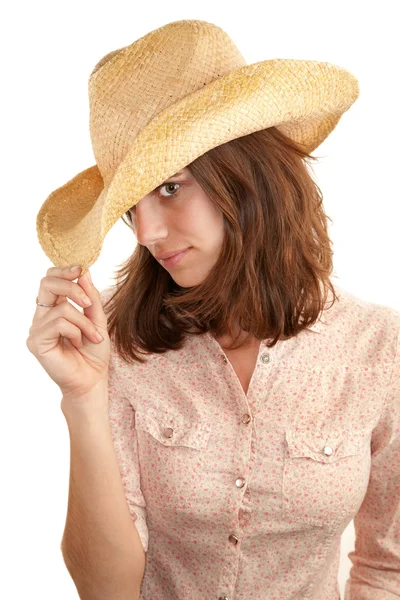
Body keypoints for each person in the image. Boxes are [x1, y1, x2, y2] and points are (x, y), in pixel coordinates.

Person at [27, 19, 400, 600]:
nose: (147, 231)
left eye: (170, 187)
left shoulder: (380, 348)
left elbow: (386, 568)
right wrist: (82, 400)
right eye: (132, 206)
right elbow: (106, 592)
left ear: (249, 178)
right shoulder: (117, 342)